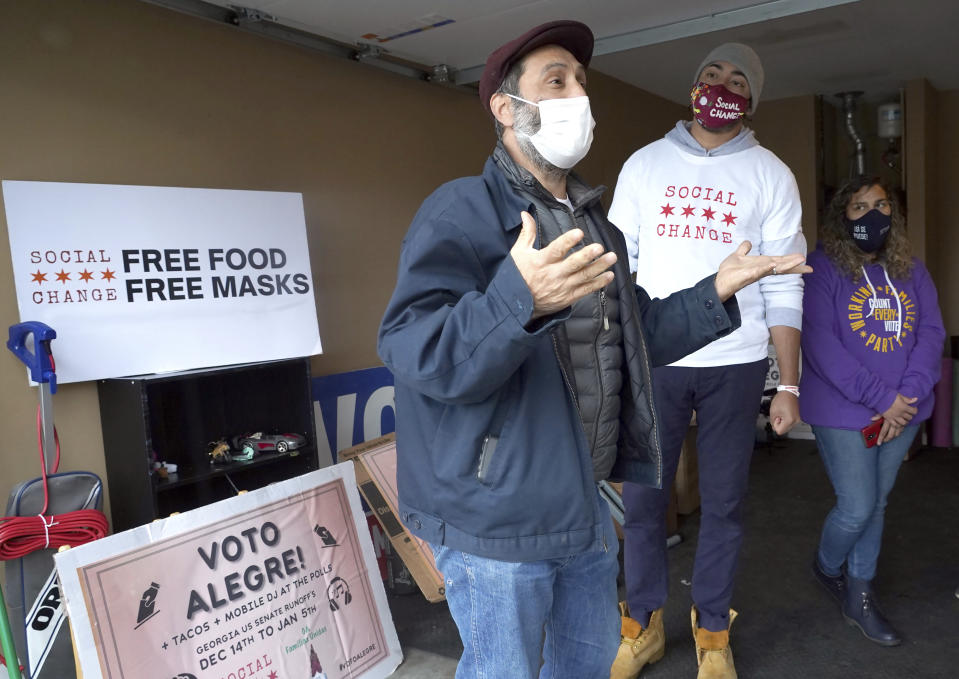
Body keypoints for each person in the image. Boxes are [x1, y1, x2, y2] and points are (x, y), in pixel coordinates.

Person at [377, 21, 809, 679]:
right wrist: (519, 298)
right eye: (556, 80)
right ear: (505, 108)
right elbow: (416, 352)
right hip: (497, 524)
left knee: (580, 668)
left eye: (581, 81)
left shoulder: (593, 225)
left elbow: (634, 334)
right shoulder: (459, 212)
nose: (578, 95)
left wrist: (715, 288)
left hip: (580, 506)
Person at [607, 43, 807, 679]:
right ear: (693, 88)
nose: (722, 83)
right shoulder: (645, 165)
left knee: (725, 503)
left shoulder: (771, 174)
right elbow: (616, 268)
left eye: (739, 78)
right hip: (655, 357)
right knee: (642, 501)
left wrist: (788, 384)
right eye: (711, 74)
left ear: (753, 99)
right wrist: (614, 357)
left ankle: (712, 631)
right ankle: (642, 625)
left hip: (737, 361)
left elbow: (785, 284)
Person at [801, 175, 945, 646]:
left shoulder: (910, 269)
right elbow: (821, 344)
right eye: (860, 207)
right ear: (843, 214)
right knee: (857, 506)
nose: (873, 215)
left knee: (876, 504)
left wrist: (905, 399)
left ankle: (859, 591)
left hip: (902, 412)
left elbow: (931, 334)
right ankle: (827, 568)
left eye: (881, 206)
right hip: (844, 411)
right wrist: (883, 400)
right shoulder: (821, 268)